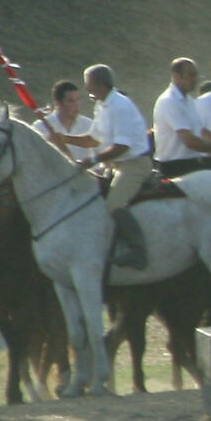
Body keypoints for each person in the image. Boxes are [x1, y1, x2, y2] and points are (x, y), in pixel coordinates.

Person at [85, 63, 156, 270]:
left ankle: (138, 252)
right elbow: (91, 139)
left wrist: (92, 160)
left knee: (114, 204)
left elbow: (122, 146)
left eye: (88, 84)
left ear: (99, 84)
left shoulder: (120, 105)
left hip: (134, 165)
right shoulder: (102, 105)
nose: (86, 88)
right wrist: (62, 138)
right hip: (115, 165)